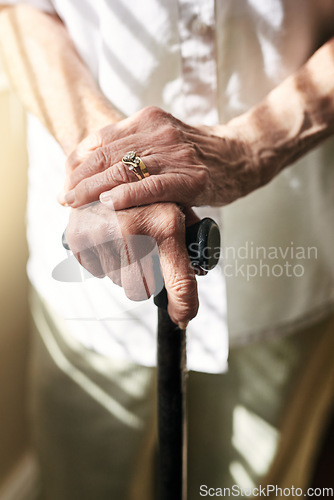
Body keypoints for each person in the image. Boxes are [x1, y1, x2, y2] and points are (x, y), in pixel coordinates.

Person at [1, 0, 334, 498]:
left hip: (282, 245)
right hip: (98, 264)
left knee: (249, 484)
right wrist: (108, 161)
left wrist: (246, 148)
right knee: (80, 478)